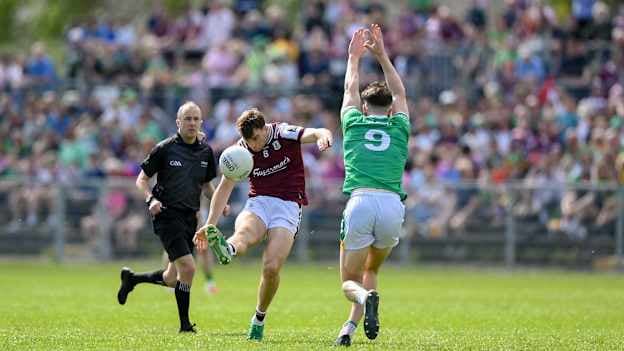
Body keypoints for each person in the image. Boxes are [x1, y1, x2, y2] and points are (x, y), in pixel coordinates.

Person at [193, 107, 333, 341]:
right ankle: (227, 248)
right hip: (259, 202)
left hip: (288, 206)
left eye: (256, 138)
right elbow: (223, 189)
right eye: (249, 141)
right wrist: (210, 225)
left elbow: (316, 131)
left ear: (264, 128)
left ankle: (259, 318)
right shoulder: (240, 149)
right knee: (244, 233)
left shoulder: (283, 133)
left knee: (271, 267)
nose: (254, 145)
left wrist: (323, 137)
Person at [116, 101, 222, 333]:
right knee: (189, 268)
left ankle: (132, 280)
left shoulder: (206, 151)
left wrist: (218, 203)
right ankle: (185, 325)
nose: (192, 123)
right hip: (166, 216)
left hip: (190, 219)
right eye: (188, 119)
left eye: (196, 119)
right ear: (178, 122)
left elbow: (206, 184)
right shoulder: (164, 148)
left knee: (173, 278)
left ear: (201, 122)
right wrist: (150, 200)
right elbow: (141, 179)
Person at [334, 24, 410, 346]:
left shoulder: (353, 122)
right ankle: (348, 330)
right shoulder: (399, 126)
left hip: (361, 202)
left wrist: (354, 59)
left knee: (349, 280)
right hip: (393, 206)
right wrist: (382, 54)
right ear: (390, 108)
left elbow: (351, 88)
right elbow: (401, 92)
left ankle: (365, 301)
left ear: (365, 108)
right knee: (371, 270)